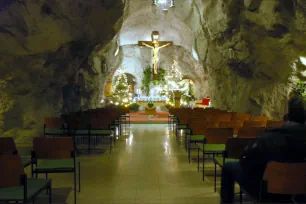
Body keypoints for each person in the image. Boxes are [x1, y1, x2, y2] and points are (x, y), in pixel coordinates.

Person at [220, 96, 306, 203]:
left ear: (286, 117)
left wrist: (245, 156)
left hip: (266, 189)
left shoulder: (270, 137)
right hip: (299, 191)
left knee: (229, 166)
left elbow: (246, 160)